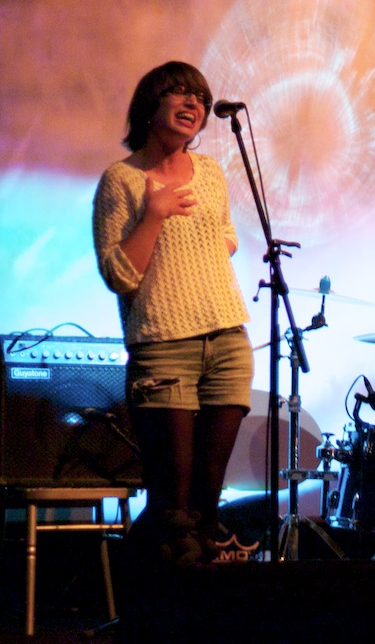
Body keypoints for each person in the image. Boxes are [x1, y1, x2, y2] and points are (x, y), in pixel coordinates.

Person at [92, 61, 252, 568]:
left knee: (206, 508)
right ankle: (155, 614)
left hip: (227, 340)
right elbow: (119, 274)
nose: (194, 105)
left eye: (200, 99)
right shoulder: (121, 180)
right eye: (179, 94)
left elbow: (225, 235)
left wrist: (210, 244)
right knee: (172, 510)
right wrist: (155, 213)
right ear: (150, 105)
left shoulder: (209, 172)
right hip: (164, 345)